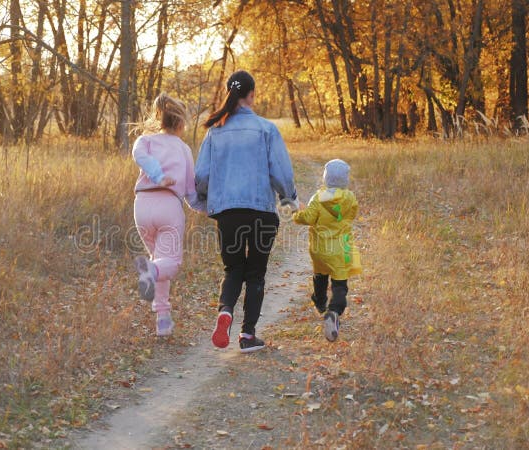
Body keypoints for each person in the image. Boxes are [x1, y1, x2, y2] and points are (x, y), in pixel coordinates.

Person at [195, 70, 298, 353]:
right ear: (251, 94)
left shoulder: (214, 132)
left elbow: (201, 175)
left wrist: (206, 201)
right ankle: (248, 336)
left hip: (228, 213)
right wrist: (289, 198)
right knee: (256, 273)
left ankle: (225, 311)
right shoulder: (266, 129)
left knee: (233, 269)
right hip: (261, 213)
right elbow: (281, 172)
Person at [132, 93, 206, 336]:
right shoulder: (183, 149)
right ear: (181, 123)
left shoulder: (145, 140)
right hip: (169, 208)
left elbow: (138, 155)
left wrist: (153, 173)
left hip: (142, 206)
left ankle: (163, 319)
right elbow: (190, 192)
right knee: (169, 264)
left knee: (158, 259)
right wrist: (207, 208)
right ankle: (150, 272)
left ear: (158, 117)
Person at [292, 159, 362, 342]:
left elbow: (307, 218)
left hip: (320, 249)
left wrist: (295, 215)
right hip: (341, 248)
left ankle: (320, 301)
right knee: (340, 284)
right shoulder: (350, 198)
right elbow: (352, 214)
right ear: (345, 179)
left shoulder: (318, 197)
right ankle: (334, 311)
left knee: (320, 275)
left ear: (325, 178)